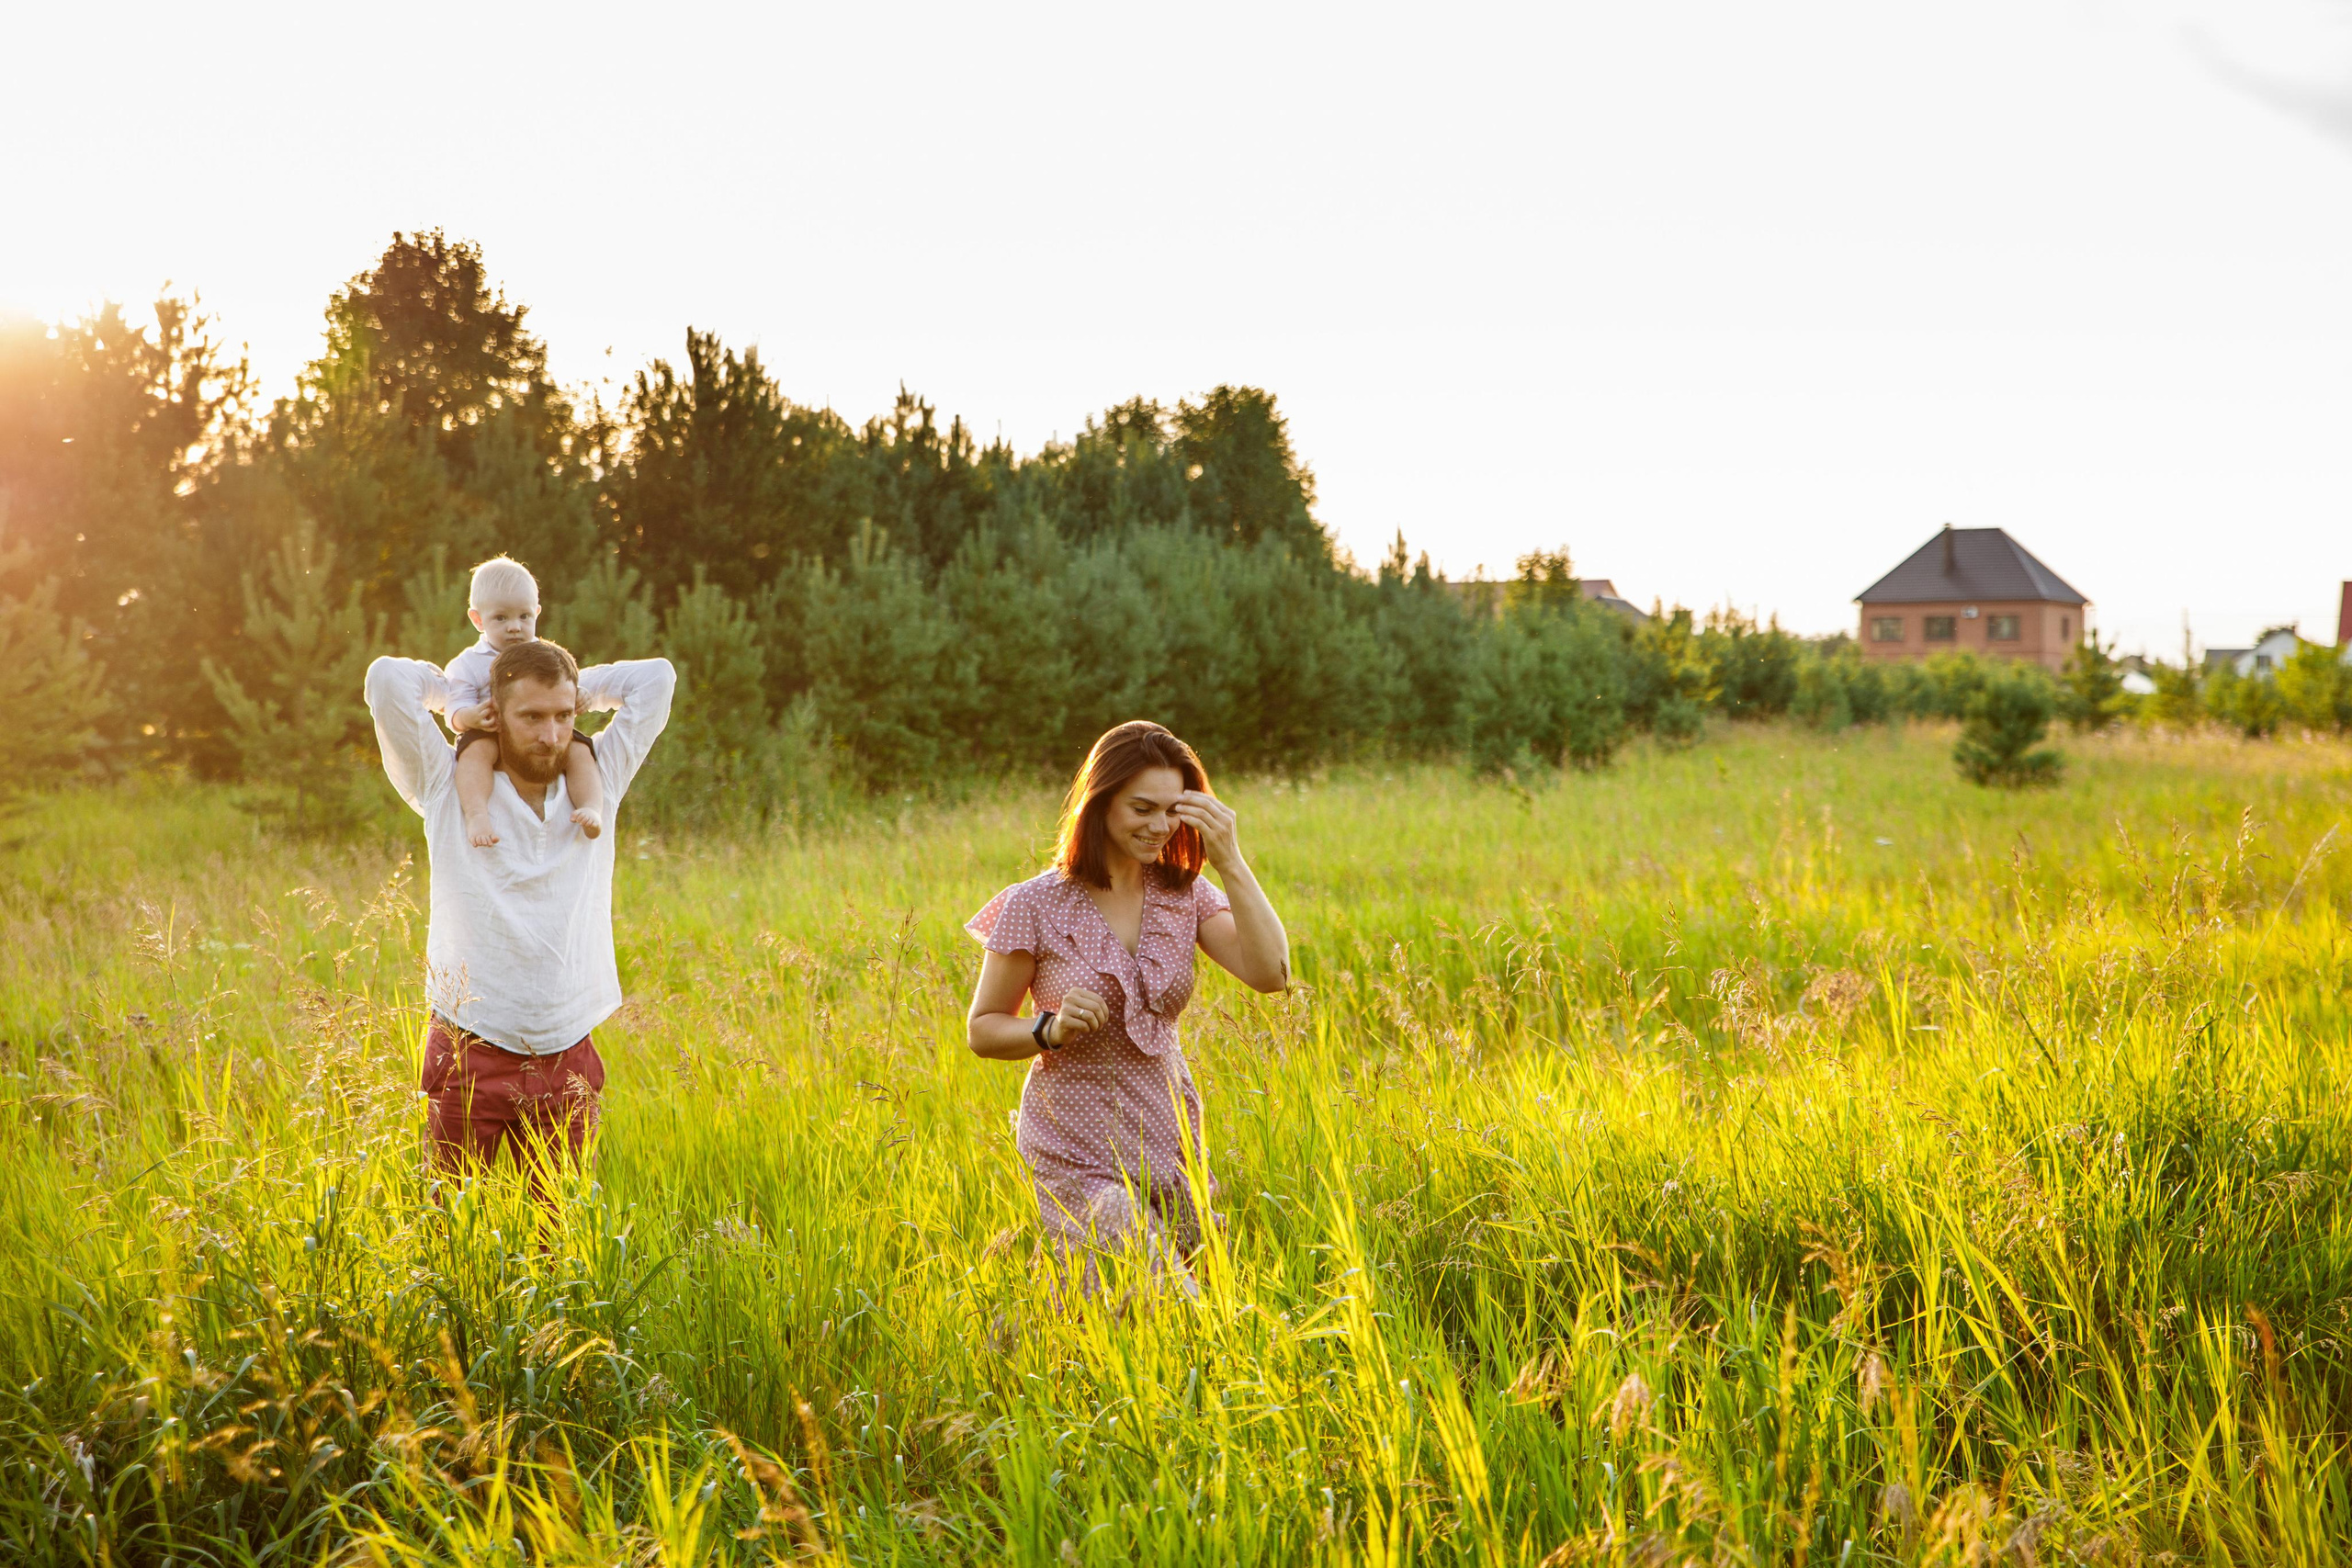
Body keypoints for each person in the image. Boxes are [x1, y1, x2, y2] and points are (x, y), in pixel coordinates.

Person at [965, 721, 1290, 1294]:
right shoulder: (1034, 904)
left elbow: (1272, 975)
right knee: (1167, 1292)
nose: (1160, 826)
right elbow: (983, 1029)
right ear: (1101, 801)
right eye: (1142, 808)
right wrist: (1050, 1028)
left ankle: (1037, 1355)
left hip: (1169, 1134)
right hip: (1073, 1141)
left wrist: (1231, 862)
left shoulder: (1183, 892)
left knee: (1179, 1302)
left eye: (1172, 810)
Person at [366, 637, 674, 1183]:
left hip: (568, 1049)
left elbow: (657, 679)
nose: (551, 734)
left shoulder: (598, 782)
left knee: (561, 1239)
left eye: (562, 715)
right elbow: (388, 679)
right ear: (498, 714)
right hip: (470, 1044)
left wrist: (581, 687)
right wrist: (460, 702)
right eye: (531, 715)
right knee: (453, 1231)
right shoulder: (449, 784)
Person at [441, 556, 606, 848]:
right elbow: (452, 710)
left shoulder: (545, 654)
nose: (515, 627)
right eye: (501, 618)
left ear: (537, 613)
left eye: (524, 617)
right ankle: (477, 814)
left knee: (580, 751)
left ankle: (591, 806)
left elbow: (563, 684)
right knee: (475, 754)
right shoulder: (467, 664)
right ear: (477, 619)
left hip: (536, 728)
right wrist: (470, 718)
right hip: (489, 731)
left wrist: (580, 696)